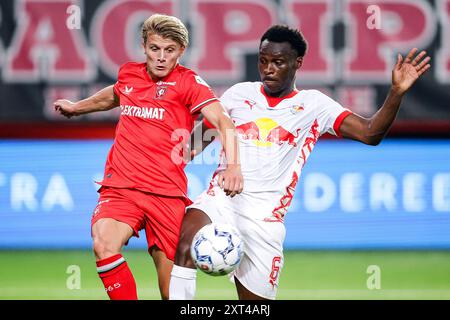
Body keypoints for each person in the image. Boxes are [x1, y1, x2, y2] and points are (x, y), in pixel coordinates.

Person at [169, 24, 431, 300]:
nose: (268, 68)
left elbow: (369, 133)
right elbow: (193, 145)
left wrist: (396, 93)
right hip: (222, 200)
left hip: (264, 220)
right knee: (185, 244)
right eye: (263, 60)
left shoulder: (314, 105)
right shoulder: (238, 94)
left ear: (297, 63)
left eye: (278, 62)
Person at [54, 14, 243, 300]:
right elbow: (114, 95)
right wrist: (77, 108)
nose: (161, 58)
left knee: (172, 292)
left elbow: (222, 121)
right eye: (155, 49)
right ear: (144, 46)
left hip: (166, 194)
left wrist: (233, 166)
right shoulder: (129, 74)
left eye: (170, 50)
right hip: (121, 188)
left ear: (181, 51)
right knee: (103, 242)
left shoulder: (189, 83)